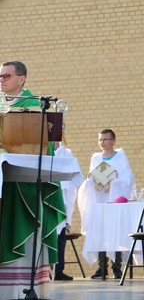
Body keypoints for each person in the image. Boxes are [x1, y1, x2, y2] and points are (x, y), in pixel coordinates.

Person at [0, 61, 66, 298]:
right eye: (0, 76)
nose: (1, 80)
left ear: (22, 79)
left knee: (22, 228)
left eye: (6, 76)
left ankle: (20, 288)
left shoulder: (34, 106)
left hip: (24, 183)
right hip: (3, 181)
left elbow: (45, 143)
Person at [77, 128, 134, 279]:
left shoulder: (121, 157)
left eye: (105, 139)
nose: (102, 142)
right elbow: (92, 177)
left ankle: (117, 267)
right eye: (100, 139)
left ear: (113, 141)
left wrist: (112, 181)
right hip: (99, 201)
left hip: (114, 201)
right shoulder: (96, 158)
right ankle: (102, 267)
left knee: (116, 231)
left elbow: (127, 180)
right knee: (100, 232)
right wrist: (93, 181)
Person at [53, 141, 82, 281]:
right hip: (47, 196)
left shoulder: (67, 153)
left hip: (62, 199)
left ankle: (58, 270)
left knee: (60, 237)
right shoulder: (41, 150)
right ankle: (45, 270)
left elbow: (73, 182)